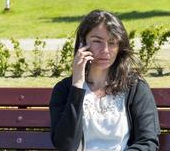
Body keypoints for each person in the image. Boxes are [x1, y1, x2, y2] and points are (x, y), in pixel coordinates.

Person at [49, 10, 160, 151]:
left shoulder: (135, 87)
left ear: (120, 46)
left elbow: (148, 142)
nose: (105, 50)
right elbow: (65, 145)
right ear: (83, 43)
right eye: (97, 41)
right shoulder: (64, 89)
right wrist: (77, 86)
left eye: (112, 42)